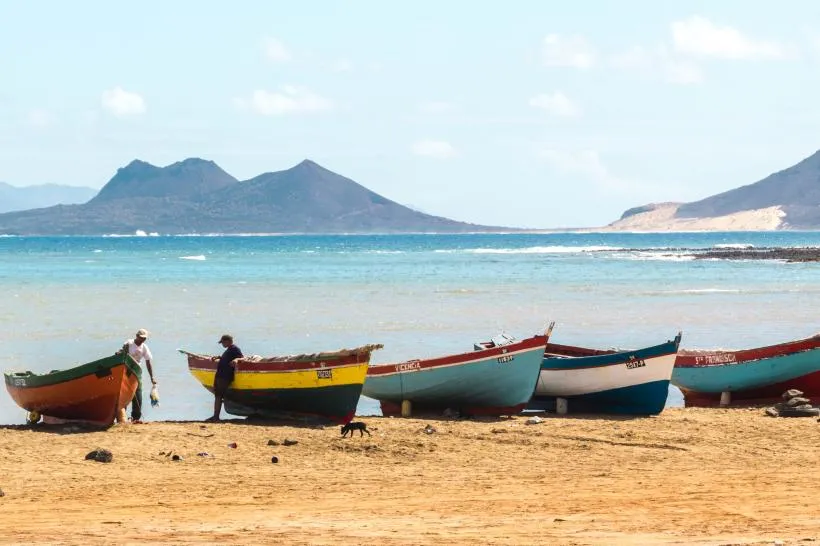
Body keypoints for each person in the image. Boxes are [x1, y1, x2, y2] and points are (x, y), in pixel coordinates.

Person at [121, 328, 156, 423]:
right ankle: (121, 416)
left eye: (144, 338)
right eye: (141, 338)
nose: (143, 340)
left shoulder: (144, 347)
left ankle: (135, 417)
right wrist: (122, 351)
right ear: (137, 336)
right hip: (126, 371)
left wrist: (152, 377)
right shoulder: (129, 343)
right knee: (124, 394)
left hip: (137, 372)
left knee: (138, 395)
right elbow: (123, 353)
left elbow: (148, 362)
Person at [207, 334, 243, 422]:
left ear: (228, 341)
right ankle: (215, 416)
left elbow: (241, 358)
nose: (222, 344)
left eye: (223, 342)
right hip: (220, 375)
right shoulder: (229, 350)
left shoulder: (234, 349)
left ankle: (216, 417)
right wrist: (219, 357)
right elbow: (227, 358)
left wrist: (236, 360)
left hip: (225, 376)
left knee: (219, 396)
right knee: (217, 396)